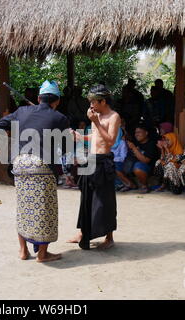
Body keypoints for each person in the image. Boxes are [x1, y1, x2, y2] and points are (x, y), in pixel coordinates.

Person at [0, 80, 69, 262]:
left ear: (38, 98)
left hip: (19, 164)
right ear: (57, 100)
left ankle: (23, 250)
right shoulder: (60, 118)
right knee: (46, 210)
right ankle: (42, 254)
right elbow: (65, 147)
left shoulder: (21, 112)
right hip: (41, 165)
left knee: (24, 208)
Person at [67, 85, 121, 250]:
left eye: (93, 102)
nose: (90, 105)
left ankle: (109, 237)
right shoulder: (96, 116)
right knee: (86, 199)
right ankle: (84, 233)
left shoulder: (114, 117)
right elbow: (96, 137)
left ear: (103, 101)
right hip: (90, 159)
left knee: (105, 201)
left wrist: (95, 122)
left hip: (103, 162)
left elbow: (110, 141)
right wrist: (81, 136)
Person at [121, 125, 160, 193]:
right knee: (117, 164)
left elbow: (145, 161)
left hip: (148, 168)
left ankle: (145, 186)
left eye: (139, 132)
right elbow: (126, 139)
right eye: (136, 132)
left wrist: (134, 148)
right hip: (133, 166)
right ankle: (129, 184)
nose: (137, 134)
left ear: (146, 133)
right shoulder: (136, 142)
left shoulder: (151, 144)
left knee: (138, 167)